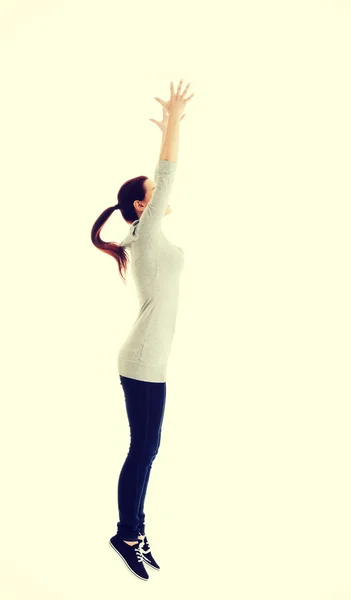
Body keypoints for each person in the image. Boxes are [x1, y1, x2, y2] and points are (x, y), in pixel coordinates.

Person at [91, 79, 195, 581]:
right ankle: (125, 533)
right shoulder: (147, 230)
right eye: (151, 197)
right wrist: (173, 124)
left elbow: (163, 183)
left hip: (148, 358)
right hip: (142, 360)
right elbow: (167, 173)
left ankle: (135, 527)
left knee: (148, 446)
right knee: (143, 448)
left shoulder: (145, 235)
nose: (159, 198)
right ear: (141, 207)